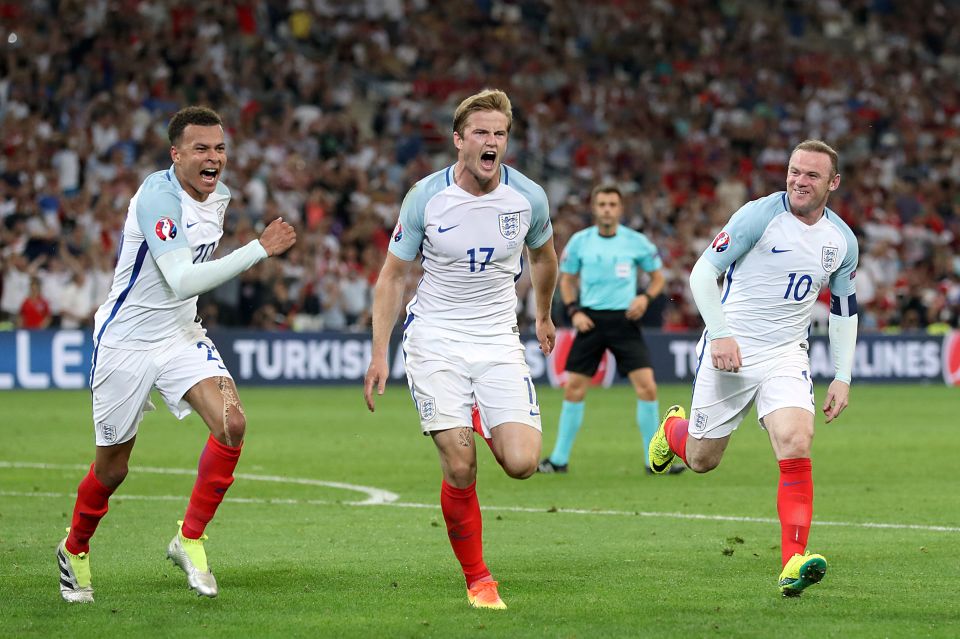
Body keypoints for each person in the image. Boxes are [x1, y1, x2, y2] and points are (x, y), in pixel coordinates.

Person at [56, 106, 297, 603]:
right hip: (126, 342)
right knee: (113, 469)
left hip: (179, 335)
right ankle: (74, 548)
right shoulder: (157, 197)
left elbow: (186, 288)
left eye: (220, 148)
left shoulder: (220, 196)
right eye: (202, 149)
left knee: (232, 423)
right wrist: (258, 249)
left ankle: (189, 539)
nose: (214, 158)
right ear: (176, 154)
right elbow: (182, 278)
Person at [363, 88, 558, 610]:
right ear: (458, 141)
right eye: (481, 133)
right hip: (436, 339)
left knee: (521, 463)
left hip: (497, 339)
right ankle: (479, 579)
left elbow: (543, 259)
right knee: (460, 465)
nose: (492, 142)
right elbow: (392, 277)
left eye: (500, 134)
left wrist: (542, 313)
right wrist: (381, 352)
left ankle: (474, 411)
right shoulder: (425, 197)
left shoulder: (529, 198)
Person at [648, 139, 859, 597]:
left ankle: (792, 562)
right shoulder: (758, 216)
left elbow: (843, 310)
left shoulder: (842, 241)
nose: (799, 182)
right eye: (794, 171)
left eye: (812, 176)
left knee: (796, 441)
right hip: (733, 349)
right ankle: (674, 432)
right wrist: (720, 332)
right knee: (703, 460)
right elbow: (703, 273)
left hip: (787, 353)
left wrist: (842, 375)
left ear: (833, 184)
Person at [537, 184, 683, 475]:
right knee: (575, 389)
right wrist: (574, 311)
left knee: (648, 387)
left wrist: (645, 297)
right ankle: (558, 459)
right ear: (594, 208)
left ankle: (652, 460)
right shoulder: (580, 242)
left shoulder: (636, 242)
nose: (606, 209)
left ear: (620, 209)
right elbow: (566, 280)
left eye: (612, 204)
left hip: (624, 321)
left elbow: (657, 278)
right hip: (589, 320)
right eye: (602, 204)